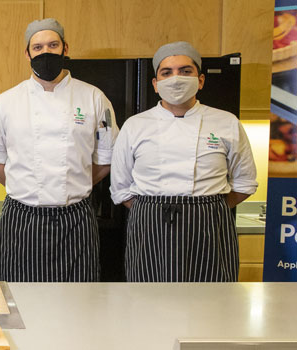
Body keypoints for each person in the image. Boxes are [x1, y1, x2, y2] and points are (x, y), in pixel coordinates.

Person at [0, 18, 118, 282]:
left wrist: (73, 183)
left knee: (78, 300)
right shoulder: (3, 103)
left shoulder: (93, 98)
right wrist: (26, 184)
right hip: (21, 217)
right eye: (38, 47)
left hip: (75, 218)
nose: (45, 52)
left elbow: (107, 158)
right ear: (27, 53)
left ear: (65, 48)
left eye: (53, 45)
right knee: (18, 299)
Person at [110, 41, 257, 282]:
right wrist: (150, 212)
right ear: (156, 85)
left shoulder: (226, 122)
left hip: (210, 227)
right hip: (150, 227)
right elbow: (121, 188)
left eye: (185, 71)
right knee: (149, 300)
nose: (176, 78)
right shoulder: (135, 125)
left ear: (200, 80)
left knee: (210, 302)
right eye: (166, 73)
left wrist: (210, 210)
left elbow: (244, 183)